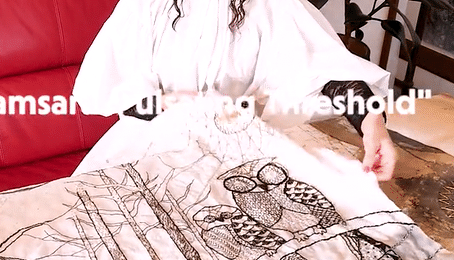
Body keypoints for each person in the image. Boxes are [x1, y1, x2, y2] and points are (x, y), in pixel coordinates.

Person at [72, 0, 397, 181]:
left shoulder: (272, 6)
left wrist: (373, 126)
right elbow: (118, 94)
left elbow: (330, 74)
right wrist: (171, 104)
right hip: (150, 149)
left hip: (237, 152)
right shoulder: (145, 7)